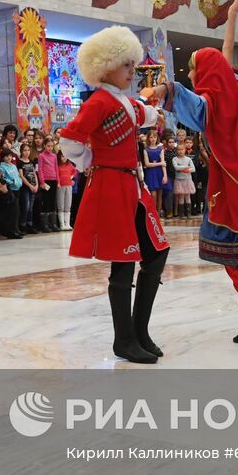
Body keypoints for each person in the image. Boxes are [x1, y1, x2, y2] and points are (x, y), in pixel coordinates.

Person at [145, 0, 238, 342]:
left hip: (234, 188)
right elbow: (224, 58)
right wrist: (231, 16)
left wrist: (163, 89)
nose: (191, 75)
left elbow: (187, 99)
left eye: (193, 69)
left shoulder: (213, 102)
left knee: (234, 252)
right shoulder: (234, 93)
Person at [58, 26, 170, 364]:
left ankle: (138, 332)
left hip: (132, 186)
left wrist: (159, 94)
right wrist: (92, 163)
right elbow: (69, 140)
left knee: (156, 253)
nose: (131, 71)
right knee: (123, 262)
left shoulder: (124, 101)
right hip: (111, 187)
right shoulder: (98, 102)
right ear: (105, 66)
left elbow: (148, 113)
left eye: (133, 65)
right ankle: (125, 339)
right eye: (126, 65)